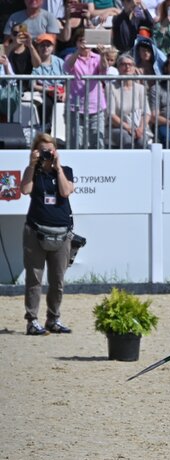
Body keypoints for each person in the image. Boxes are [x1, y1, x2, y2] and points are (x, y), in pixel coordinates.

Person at [20, 133, 74, 336]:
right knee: (34, 279)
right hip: (35, 231)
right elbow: (24, 190)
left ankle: (53, 319)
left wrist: (57, 168)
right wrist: (32, 165)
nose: (47, 153)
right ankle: (32, 320)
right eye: (43, 149)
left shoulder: (66, 170)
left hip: (61, 234)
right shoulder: (32, 172)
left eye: (50, 149)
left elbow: (66, 191)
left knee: (57, 280)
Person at [64, 27, 107, 149]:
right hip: (75, 107)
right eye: (82, 40)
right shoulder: (70, 57)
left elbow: (104, 72)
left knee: (98, 142)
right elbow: (67, 68)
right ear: (76, 43)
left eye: (88, 41)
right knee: (75, 143)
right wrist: (78, 52)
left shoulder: (97, 58)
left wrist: (103, 55)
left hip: (96, 106)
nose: (85, 44)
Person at [106, 53, 151, 148]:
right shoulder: (111, 88)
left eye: (130, 64)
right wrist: (128, 127)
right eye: (123, 64)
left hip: (138, 127)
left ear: (134, 68)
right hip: (117, 127)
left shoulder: (140, 88)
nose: (127, 67)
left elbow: (146, 112)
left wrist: (140, 128)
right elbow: (111, 114)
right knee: (127, 140)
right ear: (118, 68)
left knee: (142, 141)